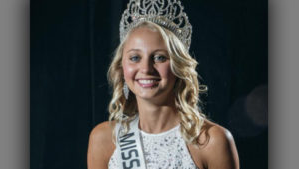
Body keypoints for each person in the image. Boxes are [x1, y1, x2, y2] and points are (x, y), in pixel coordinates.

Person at [87, 0, 239, 168]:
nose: (146, 69)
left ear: (178, 66)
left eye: (160, 57)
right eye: (135, 58)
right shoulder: (104, 140)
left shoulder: (211, 142)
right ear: (121, 66)